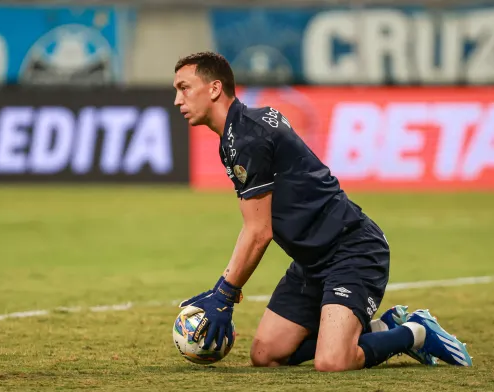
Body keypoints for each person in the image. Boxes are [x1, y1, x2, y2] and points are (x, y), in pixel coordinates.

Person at [173, 51, 472, 371]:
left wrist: (225, 294)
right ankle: (380, 329)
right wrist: (224, 291)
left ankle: (415, 333)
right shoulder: (240, 132)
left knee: (333, 362)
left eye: (184, 87)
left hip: (351, 250)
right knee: (266, 355)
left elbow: (259, 231)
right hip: (311, 261)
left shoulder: (247, 137)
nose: (178, 100)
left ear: (215, 88)